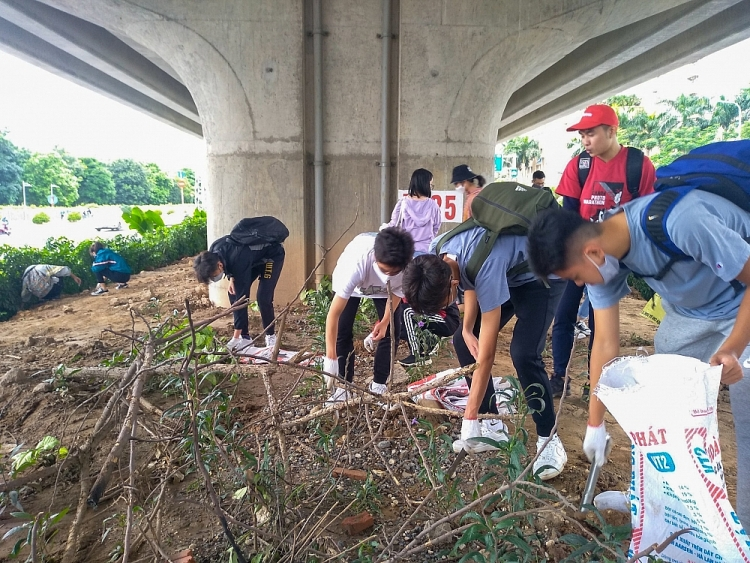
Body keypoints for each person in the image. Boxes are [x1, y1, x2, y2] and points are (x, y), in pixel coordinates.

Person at [527, 197, 750, 526]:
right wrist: (595, 423)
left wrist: (733, 347)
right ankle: (657, 506)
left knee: (746, 422)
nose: (578, 284)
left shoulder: (682, 220)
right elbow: (604, 341)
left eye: (575, 275)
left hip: (741, 304)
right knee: (659, 413)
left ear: (593, 253)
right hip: (690, 316)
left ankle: (744, 533)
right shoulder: (606, 257)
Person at [403, 250, 568, 480]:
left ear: (452, 284)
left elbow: (486, 354)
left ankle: (549, 439)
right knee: (463, 339)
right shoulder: (440, 256)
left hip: (542, 275)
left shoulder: (486, 267)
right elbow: (470, 282)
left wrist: (469, 417)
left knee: (523, 353)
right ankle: (492, 424)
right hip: (509, 276)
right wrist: (468, 329)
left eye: (445, 303)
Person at [549, 103, 655, 399]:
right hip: (580, 258)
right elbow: (568, 214)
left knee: (602, 323)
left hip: (617, 259)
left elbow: (647, 211)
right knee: (564, 315)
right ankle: (559, 376)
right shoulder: (579, 166)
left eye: (591, 134)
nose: (585, 141)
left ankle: (596, 381)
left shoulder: (637, 165)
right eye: (582, 135)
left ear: (611, 131)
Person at [321, 228, 414, 405]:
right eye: (385, 270)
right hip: (356, 287)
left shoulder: (406, 268)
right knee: (343, 331)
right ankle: (344, 387)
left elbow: (396, 293)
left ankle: (379, 385)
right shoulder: (356, 265)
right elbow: (334, 315)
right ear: (376, 258)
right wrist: (331, 357)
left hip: (384, 292)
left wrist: (385, 321)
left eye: (393, 273)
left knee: (392, 332)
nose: (388, 275)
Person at [193, 217, 287, 352]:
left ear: (219, 265)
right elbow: (229, 262)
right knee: (233, 292)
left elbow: (242, 300)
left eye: (214, 276)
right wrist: (231, 278)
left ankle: (270, 335)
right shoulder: (214, 249)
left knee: (263, 297)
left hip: (271, 257)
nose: (215, 278)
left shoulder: (237, 259)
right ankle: (245, 338)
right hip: (252, 260)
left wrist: (234, 337)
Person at [385, 168, 441, 253]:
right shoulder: (434, 206)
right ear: (424, 184)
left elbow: (393, 225)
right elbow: (436, 227)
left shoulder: (402, 203)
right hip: (426, 251)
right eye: (430, 185)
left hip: (406, 251)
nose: (431, 188)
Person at [397, 300, 460, 367]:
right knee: (402, 318)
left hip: (447, 320)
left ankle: (418, 355)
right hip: (434, 315)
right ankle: (430, 341)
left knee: (407, 312)